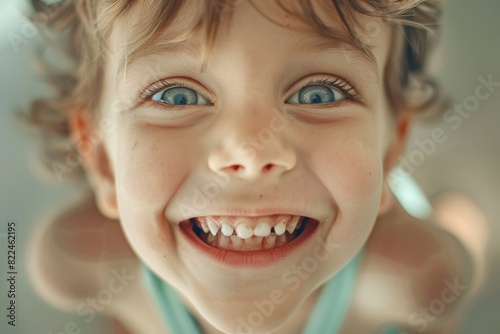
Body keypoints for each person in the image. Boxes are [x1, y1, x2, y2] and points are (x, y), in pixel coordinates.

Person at [26, 0, 477, 333]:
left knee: (466, 233)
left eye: (318, 94)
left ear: (388, 152)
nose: (251, 153)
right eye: (176, 96)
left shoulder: (419, 276)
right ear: (102, 161)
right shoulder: (75, 263)